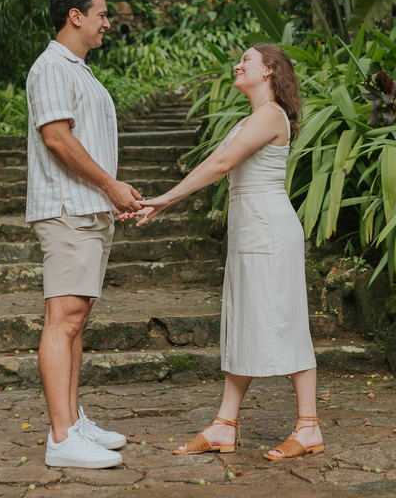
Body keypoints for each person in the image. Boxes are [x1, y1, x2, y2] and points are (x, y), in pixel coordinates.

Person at [133, 43, 322, 461]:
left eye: (247, 60)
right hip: (250, 231)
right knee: (243, 323)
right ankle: (225, 424)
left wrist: (164, 199)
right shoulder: (250, 118)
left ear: (269, 71)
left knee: (286, 320)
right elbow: (220, 163)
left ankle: (308, 427)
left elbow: (220, 166)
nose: (238, 65)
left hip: (269, 232)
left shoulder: (271, 115)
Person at [26, 0, 142, 469]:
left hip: (87, 209)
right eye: (100, 14)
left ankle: (72, 421)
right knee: (63, 320)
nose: (107, 23)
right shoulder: (52, 67)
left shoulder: (80, 70)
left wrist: (110, 194)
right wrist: (112, 186)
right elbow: (57, 138)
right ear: (75, 16)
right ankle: (60, 438)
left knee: (76, 322)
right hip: (67, 209)